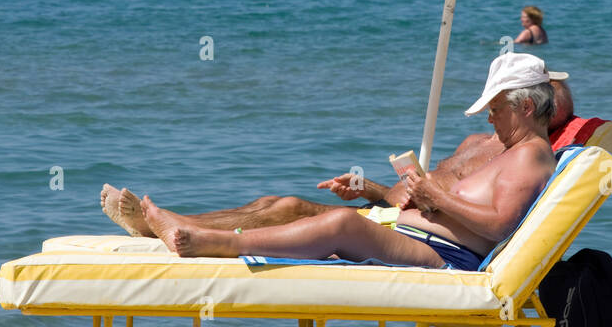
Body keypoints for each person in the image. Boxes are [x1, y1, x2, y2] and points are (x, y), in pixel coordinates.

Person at [103, 55, 558, 270]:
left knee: (343, 224)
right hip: (415, 233)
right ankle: (191, 232)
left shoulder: (531, 155)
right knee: (304, 211)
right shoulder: (505, 149)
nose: (491, 117)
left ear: (524, 107)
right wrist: (400, 193)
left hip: (445, 256)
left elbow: (499, 224)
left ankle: (205, 241)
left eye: (496, 107)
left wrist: (435, 196)